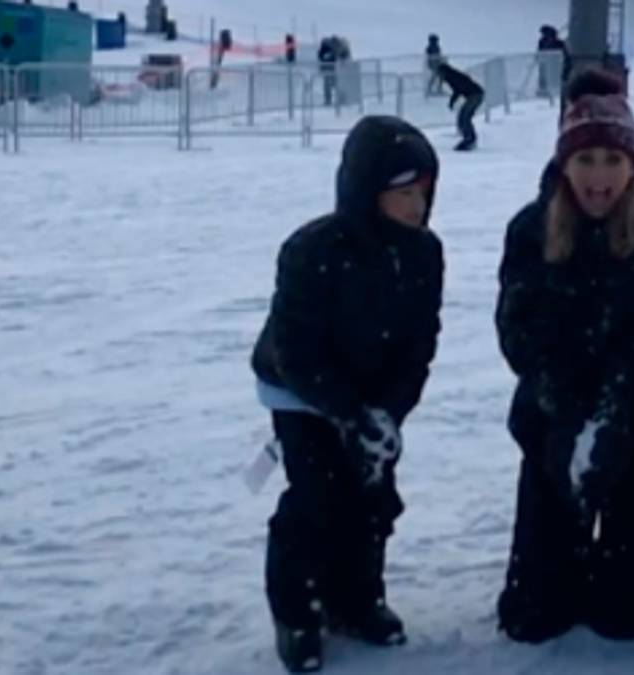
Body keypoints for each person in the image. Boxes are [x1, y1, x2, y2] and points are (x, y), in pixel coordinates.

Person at [494, 69, 634, 645]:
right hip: (555, 418)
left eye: (612, 160)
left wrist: (610, 416)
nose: (598, 177)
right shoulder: (531, 228)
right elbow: (518, 330)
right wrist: (567, 415)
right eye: (585, 160)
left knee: (622, 615)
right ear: (564, 165)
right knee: (534, 616)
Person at [251, 116, 444, 673]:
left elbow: (419, 344)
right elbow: (295, 351)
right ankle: (298, 613)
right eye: (403, 193)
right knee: (318, 495)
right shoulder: (313, 249)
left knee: (371, 494)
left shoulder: (425, 253)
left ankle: (357, 599)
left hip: (373, 392)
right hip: (300, 391)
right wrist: (350, 414)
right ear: (367, 191)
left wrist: (387, 414)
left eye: (423, 193)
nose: (417, 206)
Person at [437, 62, 485, 151]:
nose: (439, 76)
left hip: (475, 95)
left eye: (439, 74)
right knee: (463, 117)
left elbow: (459, 88)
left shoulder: (452, 76)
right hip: (475, 94)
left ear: (443, 72)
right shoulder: (452, 75)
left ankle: (469, 139)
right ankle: (470, 138)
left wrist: (452, 101)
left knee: (464, 117)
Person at [537, 25, 571, 96]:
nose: (545, 36)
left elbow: (566, 55)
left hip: (556, 66)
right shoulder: (541, 42)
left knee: (556, 80)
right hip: (546, 65)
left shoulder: (560, 43)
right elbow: (540, 53)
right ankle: (543, 91)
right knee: (545, 79)